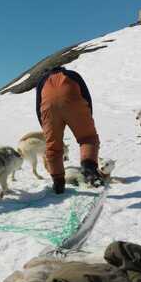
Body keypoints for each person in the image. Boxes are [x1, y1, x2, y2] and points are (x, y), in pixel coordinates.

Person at [35, 66, 103, 194]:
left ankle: (58, 182)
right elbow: (86, 96)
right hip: (74, 103)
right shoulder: (72, 75)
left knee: (53, 147)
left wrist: (45, 128)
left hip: (49, 110)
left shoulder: (42, 81)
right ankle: (89, 168)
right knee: (87, 138)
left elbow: (38, 106)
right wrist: (87, 118)